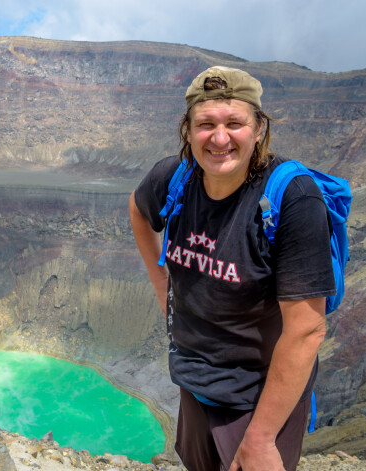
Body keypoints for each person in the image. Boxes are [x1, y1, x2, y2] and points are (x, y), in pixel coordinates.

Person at [129, 66, 335, 471]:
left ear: (259, 129)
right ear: (187, 130)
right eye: (206, 124)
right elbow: (138, 210)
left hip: (257, 399)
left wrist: (259, 439)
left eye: (234, 123)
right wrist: (162, 287)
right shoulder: (174, 178)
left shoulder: (292, 199)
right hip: (195, 383)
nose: (220, 138)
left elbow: (307, 329)